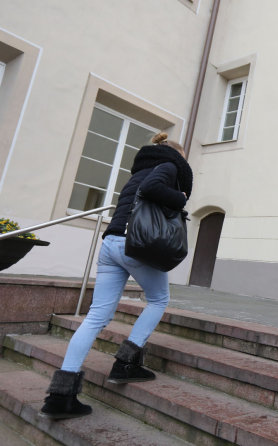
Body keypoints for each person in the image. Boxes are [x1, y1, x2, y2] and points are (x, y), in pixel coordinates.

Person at [40, 132, 193, 419]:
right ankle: (125, 364)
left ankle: (60, 396)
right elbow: (153, 189)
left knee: (97, 315)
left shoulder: (137, 172)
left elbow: (139, 192)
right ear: (177, 155)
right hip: (133, 244)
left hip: (110, 244)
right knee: (159, 299)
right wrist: (180, 197)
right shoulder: (169, 166)